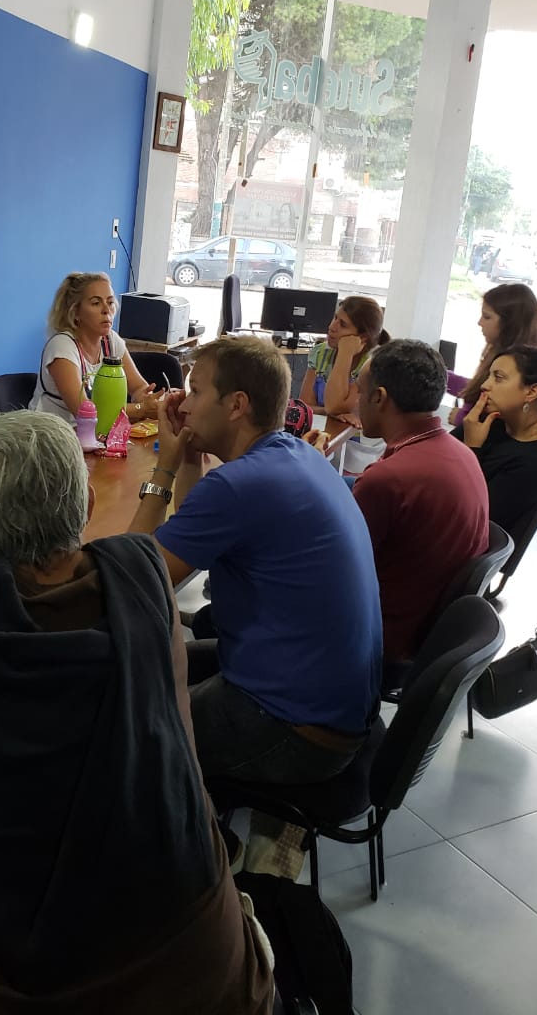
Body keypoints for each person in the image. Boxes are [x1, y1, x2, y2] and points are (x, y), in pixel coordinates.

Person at [0, 411, 274, 1015]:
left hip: (20, 986)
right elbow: (138, 543)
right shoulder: (144, 572)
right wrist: (169, 468)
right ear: (88, 502)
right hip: (212, 972)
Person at [130, 336, 382, 787]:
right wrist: (190, 456)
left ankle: (187, 825)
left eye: (195, 391)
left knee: (122, 734)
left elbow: (130, 581)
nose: (183, 405)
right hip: (332, 704)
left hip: (296, 730)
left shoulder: (240, 485)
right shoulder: (296, 455)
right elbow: (197, 534)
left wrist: (164, 467)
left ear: (236, 405)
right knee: (141, 670)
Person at [350, 341, 489, 666]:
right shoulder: (462, 453)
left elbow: (329, 569)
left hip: (377, 638)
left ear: (379, 397)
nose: (356, 401)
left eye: (360, 391)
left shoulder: (388, 479)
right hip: (428, 632)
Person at [452, 345, 537, 533]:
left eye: (498, 378)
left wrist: (472, 449)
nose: (485, 385)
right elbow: (435, 462)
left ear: (531, 392)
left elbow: (470, 519)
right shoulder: (492, 421)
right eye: (489, 376)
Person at [29, 272, 164, 423]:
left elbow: (138, 387)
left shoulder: (111, 341)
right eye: (96, 303)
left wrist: (148, 399)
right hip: (53, 432)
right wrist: (140, 409)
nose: (106, 310)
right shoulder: (61, 346)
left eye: (110, 302)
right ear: (75, 312)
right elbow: (84, 412)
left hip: (97, 431)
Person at [447, 283, 537, 426]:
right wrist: (441, 376)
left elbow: (498, 421)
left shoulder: (514, 364)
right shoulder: (497, 354)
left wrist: (461, 418)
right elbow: (477, 389)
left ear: (509, 323)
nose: (480, 322)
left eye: (487, 317)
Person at [299, 295, 389, 419]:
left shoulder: (371, 365)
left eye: (343, 325)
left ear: (363, 337)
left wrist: (345, 353)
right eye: (335, 318)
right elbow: (305, 407)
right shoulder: (320, 352)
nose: (332, 327)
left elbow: (334, 406)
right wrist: (332, 413)